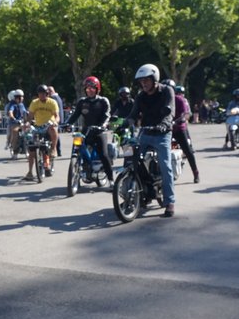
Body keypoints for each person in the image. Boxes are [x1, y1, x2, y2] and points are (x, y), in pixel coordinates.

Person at [126, 64, 176, 217]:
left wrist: (164, 124)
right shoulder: (141, 96)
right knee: (131, 159)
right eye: (141, 81)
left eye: (146, 80)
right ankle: (137, 195)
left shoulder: (167, 91)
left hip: (162, 133)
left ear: (155, 79)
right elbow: (133, 114)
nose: (144, 84)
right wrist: (126, 122)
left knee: (165, 166)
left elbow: (170, 111)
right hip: (145, 132)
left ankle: (170, 202)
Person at [61, 76, 114, 185]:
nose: (89, 90)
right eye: (87, 88)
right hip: (85, 131)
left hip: (99, 131)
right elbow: (75, 115)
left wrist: (102, 126)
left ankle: (111, 180)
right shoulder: (82, 102)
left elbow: (107, 115)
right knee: (76, 147)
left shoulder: (103, 101)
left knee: (103, 154)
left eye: (92, 88)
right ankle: (78, 170)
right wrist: (67, 124)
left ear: (97, 89)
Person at [25, 84, 59, 180]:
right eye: (40, 94)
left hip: (48, 125)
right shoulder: (34, 103)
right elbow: (30, 116)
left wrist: (55, 122)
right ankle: (30, 172)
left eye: (44, 93)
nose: (42, 95)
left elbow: (57, 115)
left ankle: (54, 149)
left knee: (52, 131)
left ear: (47, 94)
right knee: (31, 149)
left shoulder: (52, 102)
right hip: (37, 126)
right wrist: (27, 123)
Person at [172, 85, 199, 183]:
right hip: (166, 129)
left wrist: (178, 121)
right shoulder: (161, 99)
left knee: (188, 150)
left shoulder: (180, 100)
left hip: (179, 128)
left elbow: (186, 114)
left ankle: (195, 173)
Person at [48, 85, 65, 156]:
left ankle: (57, 150)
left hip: (55, 118)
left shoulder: (53, 98)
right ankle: (58, 150)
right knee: (56, 134)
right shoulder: (58, 97)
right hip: (60, 117)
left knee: (55, 134)